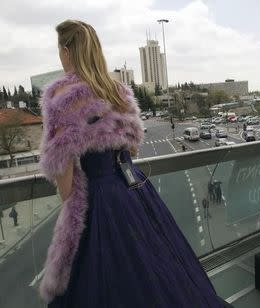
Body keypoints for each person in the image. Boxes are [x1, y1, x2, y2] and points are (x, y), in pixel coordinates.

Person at [38, 20, 223, 307]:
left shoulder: (63, 97)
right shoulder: (118, 91)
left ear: (66, 51)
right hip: (135, 191)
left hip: (97, 203)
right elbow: (132, 148)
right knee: (158, 271)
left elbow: (65, 183)